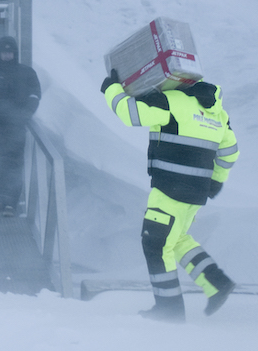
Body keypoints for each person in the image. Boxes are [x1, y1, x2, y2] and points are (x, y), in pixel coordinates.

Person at [102, 69, 240, 323]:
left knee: (155, 245)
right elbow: (230, 152)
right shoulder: (218, 114)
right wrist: (216, 181)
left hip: (169, 190)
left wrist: (111, 88)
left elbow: (131, 114)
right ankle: (216, 282)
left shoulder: (173, 101)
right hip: (196, 194)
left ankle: (169, 309)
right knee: (176, 240)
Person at [0, 36, 41, 216]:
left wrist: (26, 114)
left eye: (9, 52)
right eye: (3, 52)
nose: (6, 56)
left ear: (14, 53)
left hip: (16, 129)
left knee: (14, 166)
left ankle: (12, 204)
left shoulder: (26, 72)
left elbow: (35, 95)